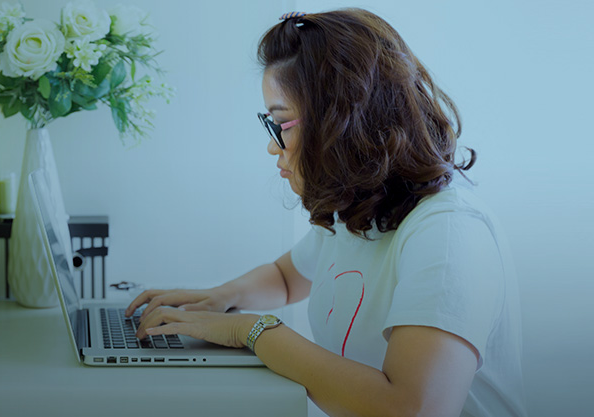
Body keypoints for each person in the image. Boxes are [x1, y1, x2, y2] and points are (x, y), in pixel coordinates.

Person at [125, 8, 527, 417]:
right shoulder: (357, 209)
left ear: (341, 121)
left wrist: (249, 329)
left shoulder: (447, 233)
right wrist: (218, 298)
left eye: (281, 125)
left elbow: (409, 409)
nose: (272, 146)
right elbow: (285, 279)